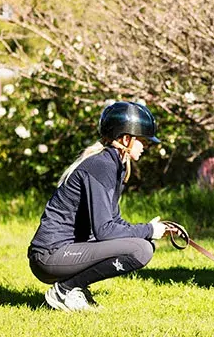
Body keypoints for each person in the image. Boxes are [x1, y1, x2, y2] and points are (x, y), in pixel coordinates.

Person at [27, 101, 169, 312]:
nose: (145, 147)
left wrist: (148, 229)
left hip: (62, 253)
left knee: (142, 243)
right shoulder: (102, 166)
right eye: (143, 141)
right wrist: (149, 231)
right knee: (141, 249)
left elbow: (114, 221)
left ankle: (74, 288)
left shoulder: (113, 165)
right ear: (126, 139)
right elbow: (105, 231)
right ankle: (65, 290)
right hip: (50, 256)